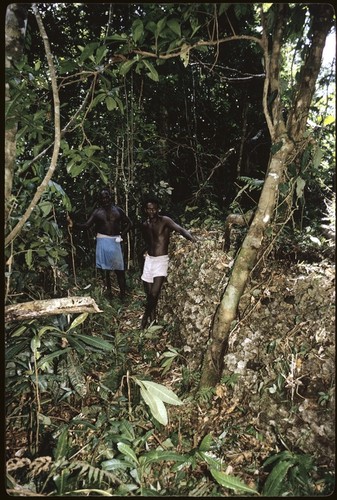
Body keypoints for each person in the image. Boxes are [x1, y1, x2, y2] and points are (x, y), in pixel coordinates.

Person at [140, 196, 196, 329]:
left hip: (161, 261)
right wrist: (143, 253)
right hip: (149, 260)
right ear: (145, 210)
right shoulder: (145, 224)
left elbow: (180, 229)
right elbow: (148, 242)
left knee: (154, 294)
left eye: (154, 209)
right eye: (149, 209)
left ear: (158, 209)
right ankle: (153, 322)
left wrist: (194, 240)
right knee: (149, 295)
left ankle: (144, 321)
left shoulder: (165, 221)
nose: (152, 211)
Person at [67, 188, 132, 300]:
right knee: (105, 271)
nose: (105, 200)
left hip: (115, 241)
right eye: (102, 198)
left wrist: (122, 235)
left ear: (110, 197)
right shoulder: (97, 212)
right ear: (100, 200)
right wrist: (74, 225)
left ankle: (123, 295)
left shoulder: (118, 210)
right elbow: (87, 226)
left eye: (107, 197)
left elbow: (130, 223)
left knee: (119, 270)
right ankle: (109, 294)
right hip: (102, 242)